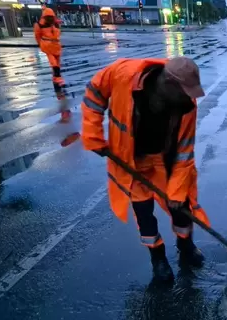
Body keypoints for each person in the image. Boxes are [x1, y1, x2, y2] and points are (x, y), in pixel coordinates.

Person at [80, 56, 209, 283]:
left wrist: (177, 191)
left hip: (164, 160)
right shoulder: (123, 74)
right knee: (144, 212)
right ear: (168, 84)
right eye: (184, 92)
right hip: (132, 161)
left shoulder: (187, 104)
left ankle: (185, 246)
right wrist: (93, 134)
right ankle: (157, 258)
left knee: (181, 207)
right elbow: (94, 94)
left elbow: (184, 152)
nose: (189, 98)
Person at [34, 7, 70, 123]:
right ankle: (57, 79)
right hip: (49, 47)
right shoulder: (40, 25)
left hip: (56, 47)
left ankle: (56, 79)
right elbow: (37, 36)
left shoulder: (53, 24)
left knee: (57, 65)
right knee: (54, 64)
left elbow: (57, 34)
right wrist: (41, 44)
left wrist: (57, 27)